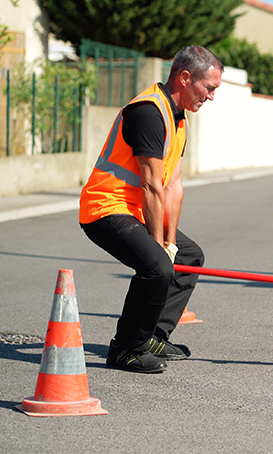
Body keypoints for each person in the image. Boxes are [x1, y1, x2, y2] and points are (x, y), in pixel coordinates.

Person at [79, 45, 223, 373]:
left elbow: (173, 185)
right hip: (105, 207)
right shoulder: (147, 112)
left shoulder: (179, 119)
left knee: (187, 258)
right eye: (209, 88)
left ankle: (154, 335)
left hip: (136, 210)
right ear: (185, 78)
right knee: (158, 266)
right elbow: (151, 186)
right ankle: (126, 348)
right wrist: (159, 246)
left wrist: (171, 242)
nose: (211, 97)